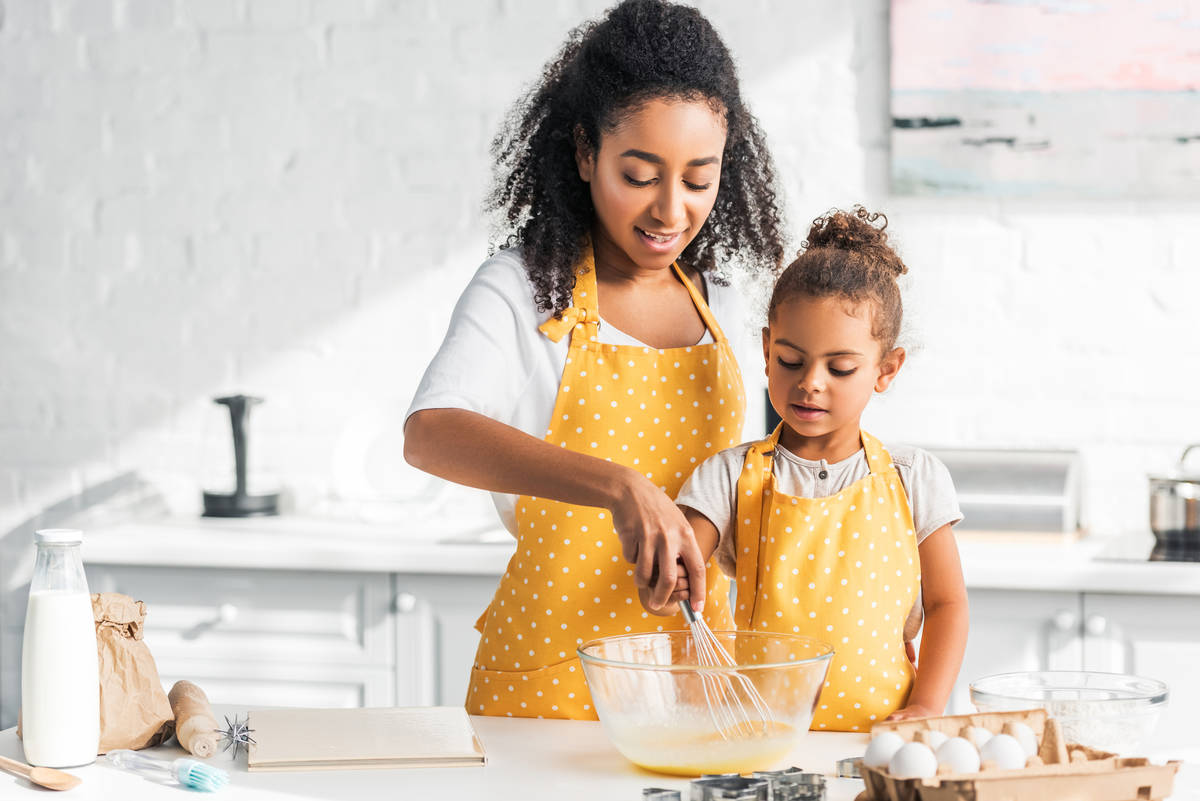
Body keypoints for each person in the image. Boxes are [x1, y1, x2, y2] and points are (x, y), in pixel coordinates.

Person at [403, 0, 786, 719]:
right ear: (585, 153)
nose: (671, 209)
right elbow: (429, 431)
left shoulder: (727, 308)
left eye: (698, 179)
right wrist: (619, 487)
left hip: (695, 679)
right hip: (549, 687)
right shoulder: (522, 290)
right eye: (639, 174)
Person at [663, 206, 969, 732]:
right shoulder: (727, 475)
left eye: (840, 367)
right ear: (765, 350)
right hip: (762, 739)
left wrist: (926, 706)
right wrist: (671, 573)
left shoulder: (912, 477)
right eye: (790, 361)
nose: (811, 382)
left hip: (883, 740)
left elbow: (947, 605)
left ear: (885, 370)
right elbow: (683, 560)